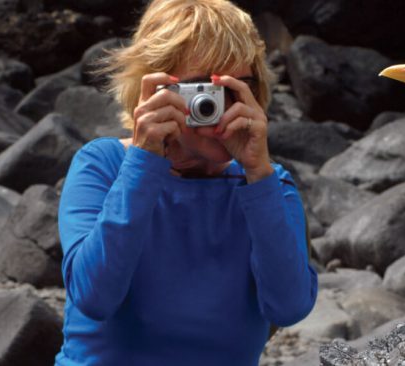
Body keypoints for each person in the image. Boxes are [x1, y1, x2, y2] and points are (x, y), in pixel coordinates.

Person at [55, 0, 318, 364]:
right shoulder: (103, 167)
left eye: (236, 88)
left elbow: (289, 307)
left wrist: (259, 173)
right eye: (204, 92)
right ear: (155, 89)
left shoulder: (269, 187)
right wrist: (145, 162)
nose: (220, 109)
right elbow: (94, 297)